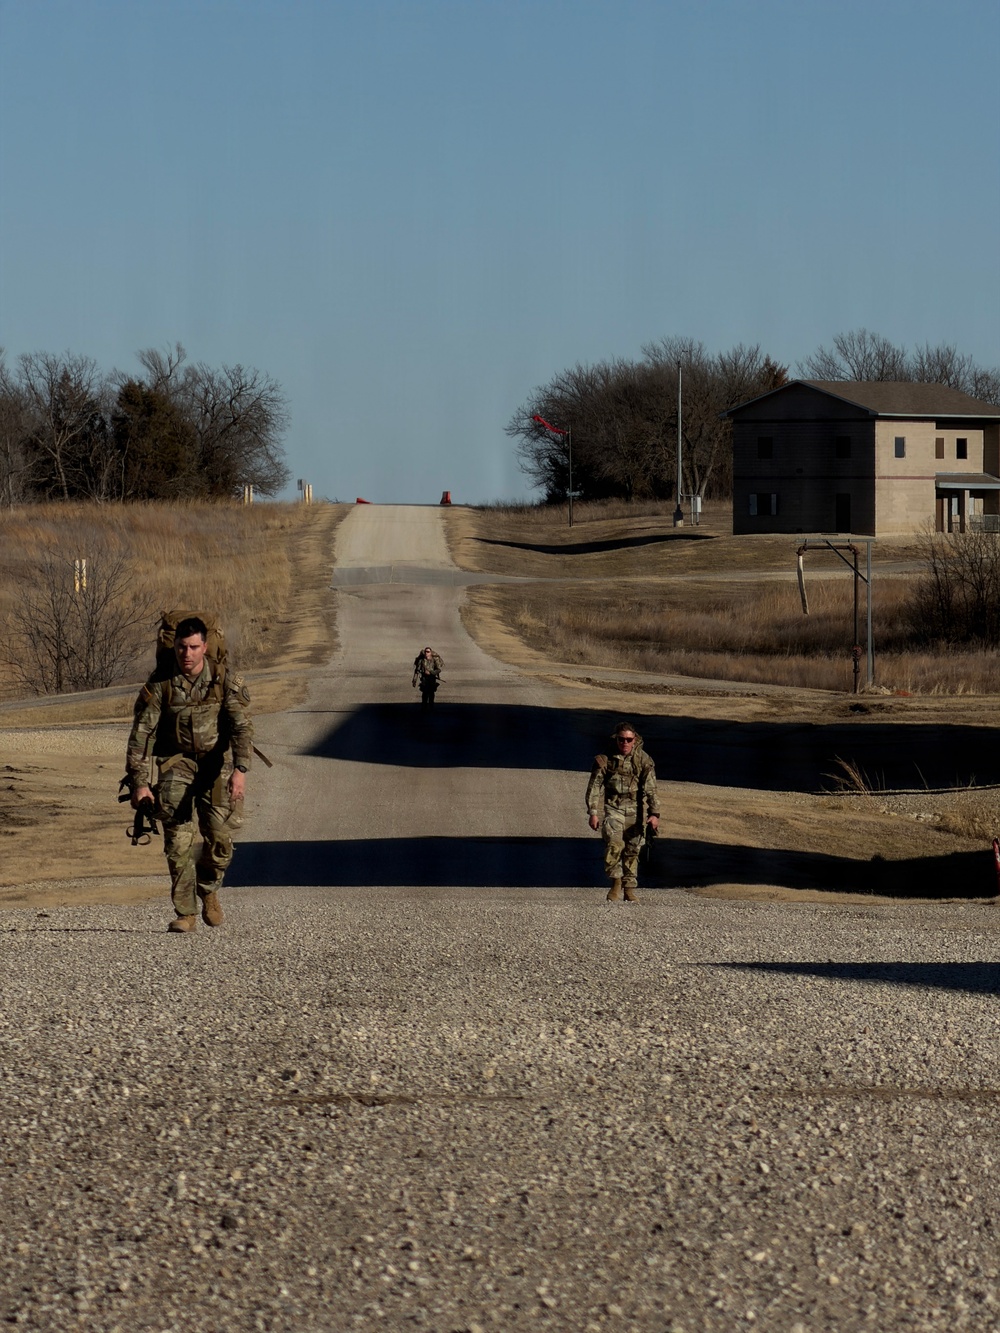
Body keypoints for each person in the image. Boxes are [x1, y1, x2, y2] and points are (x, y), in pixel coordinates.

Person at [126, 616, 254, 933]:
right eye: (182, 647)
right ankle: (186, 913)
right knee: (178, 841)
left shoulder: (223, 680)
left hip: (215, 764)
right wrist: (140, 784)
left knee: (220, 838)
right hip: (176, 764)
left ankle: (208, 888)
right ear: (175, 647)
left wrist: (240, 770)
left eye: (194, 647)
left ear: (205, 647)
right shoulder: (161, 684)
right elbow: (141, 737)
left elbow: (241, 728)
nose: (187, 654)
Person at [585, 721, 660, 902]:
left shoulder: (643, 760)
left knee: (633, 849)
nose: (625, 743)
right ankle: (616, 883)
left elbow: (651, 788)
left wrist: (654, 814)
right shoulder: (606, 759)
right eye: (621, 739)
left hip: (636, 811)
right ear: (616, 739)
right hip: (613, 809)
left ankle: (629, 888)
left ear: (635, 740)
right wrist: (593, 812)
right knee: (614, 844)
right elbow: (594, 787)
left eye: (629, 740)